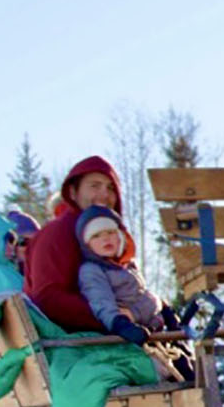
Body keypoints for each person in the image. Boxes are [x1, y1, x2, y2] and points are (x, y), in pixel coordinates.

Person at [75, 206, 188, 381]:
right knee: (165, 373)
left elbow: (146, 297)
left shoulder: (128, 266)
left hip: (156, 334)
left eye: (110, 232)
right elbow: (101, 303)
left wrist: (158, 309)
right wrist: (120, 324)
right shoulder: (92, 271)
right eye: (96, 236)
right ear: (87, 244)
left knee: (188, 369)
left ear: (120, 236)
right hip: (131, 340)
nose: (105, 238)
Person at [25, 156, 135, 333]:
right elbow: (48, 298)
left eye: (110, 188)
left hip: (119, 331)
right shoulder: (57, 234)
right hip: (72, 338)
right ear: (73, 192)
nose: (105, 195)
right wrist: (113, 319)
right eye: (94, 186)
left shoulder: (114, 236)